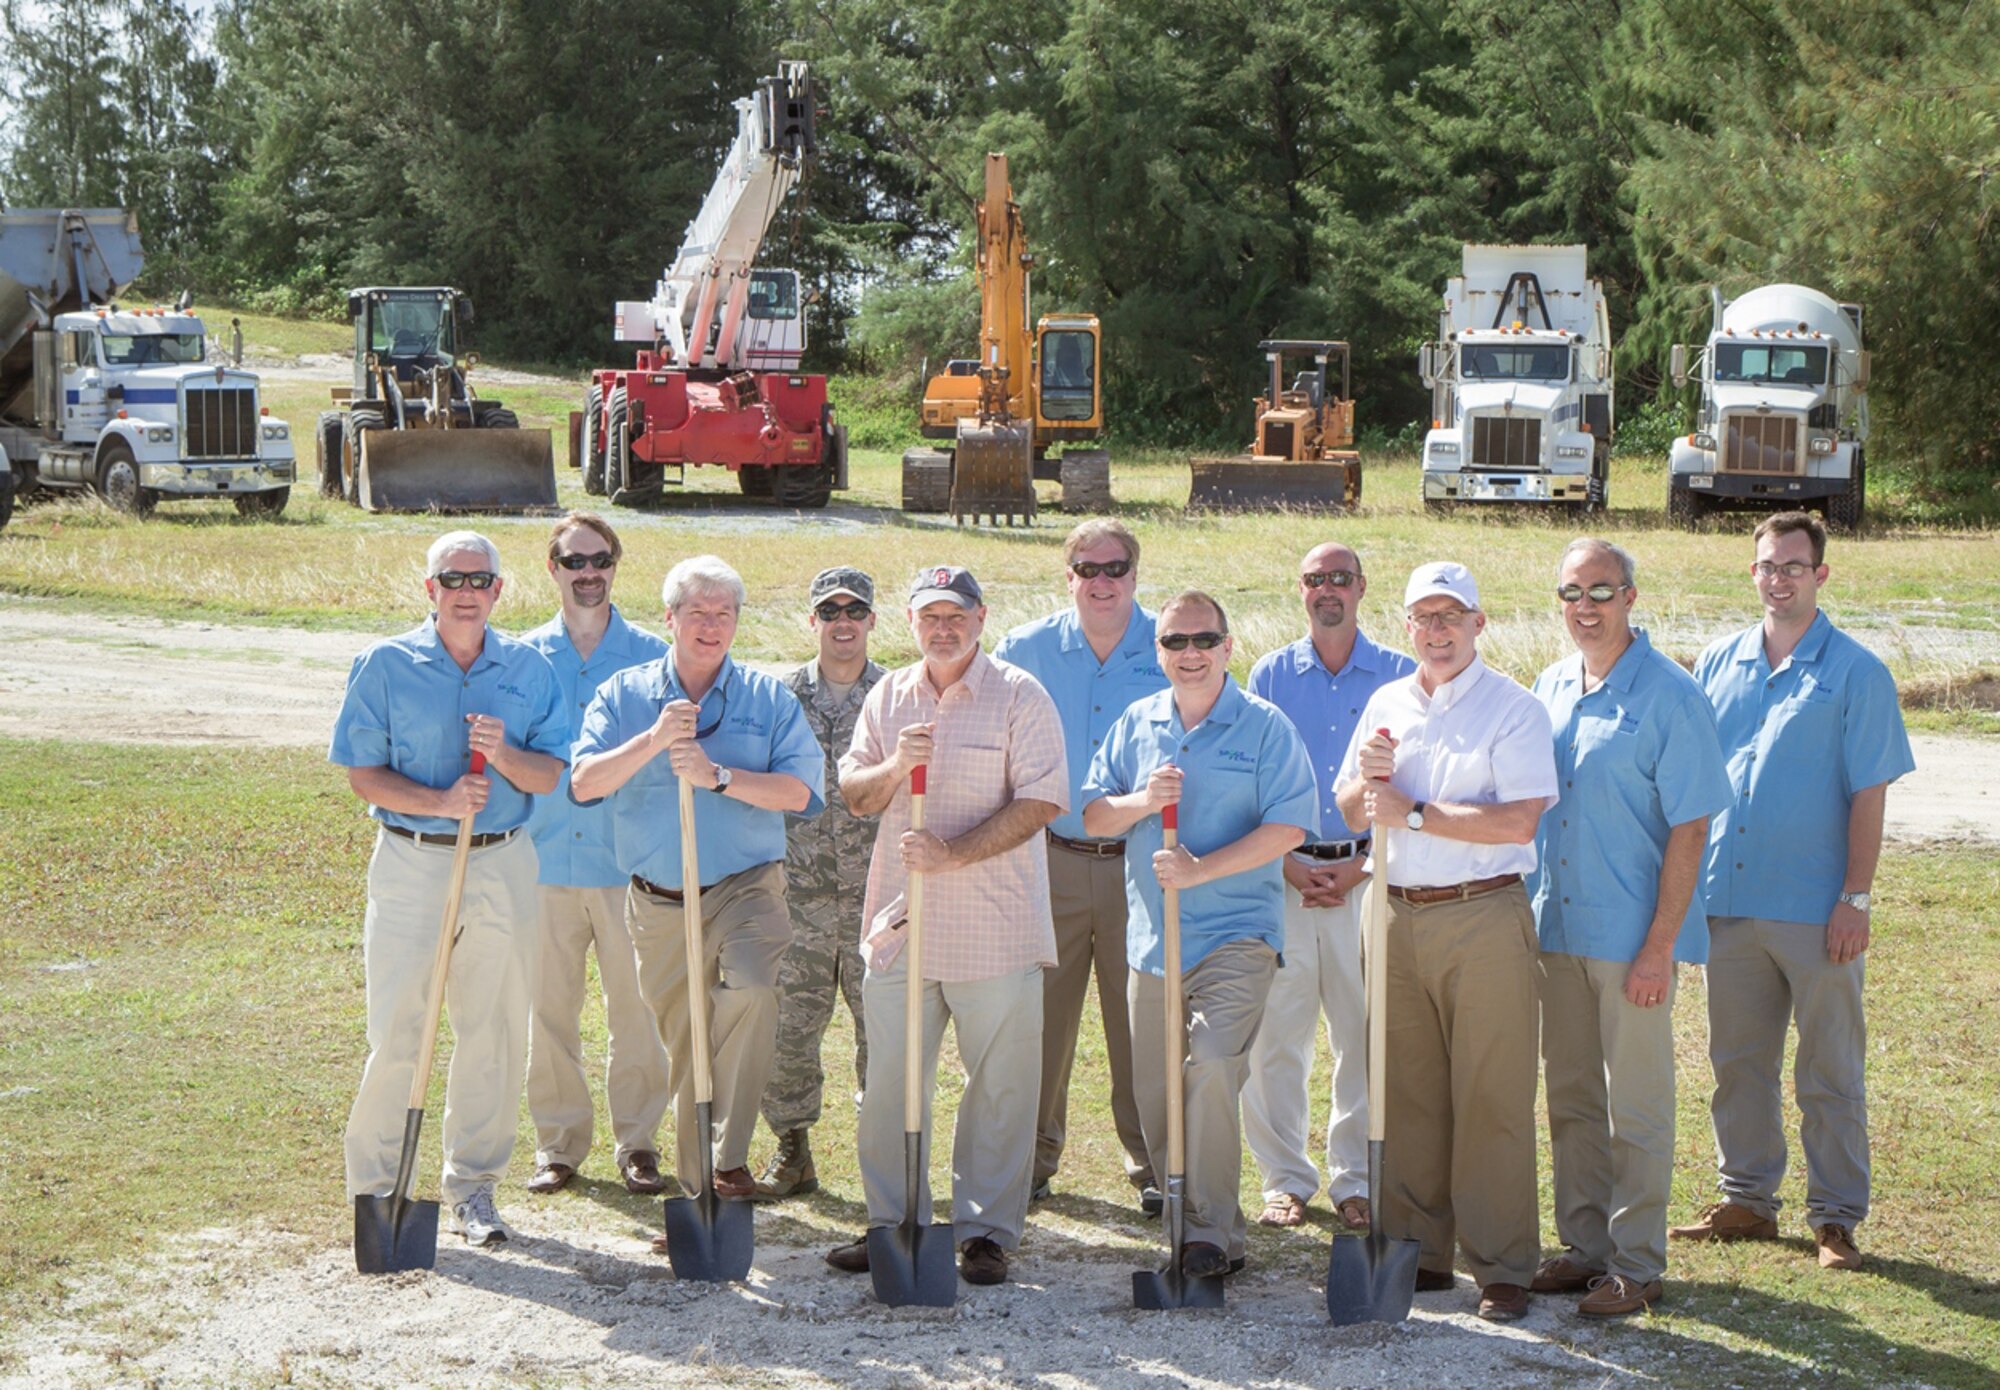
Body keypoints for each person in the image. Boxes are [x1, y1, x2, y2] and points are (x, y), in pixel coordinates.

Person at [1669, 512, 1914, 1272]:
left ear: (1821, 575)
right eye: (1768, 566)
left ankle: (1835, 1218)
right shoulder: (1716, 662)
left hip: (1816, 909)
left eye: (1795, 566)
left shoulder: (1857, 672)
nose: (1779, 579)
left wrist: (1857, 898)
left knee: (1830, 1070)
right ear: (1753, 574)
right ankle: (1746, 1198)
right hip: (1728, 901)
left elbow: (1869, 795)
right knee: (1738, 1061)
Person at [824, 565, 1067, 1287]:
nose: (943, 628)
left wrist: (951, 853)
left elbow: (1043, 801)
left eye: (956, 615)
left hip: (994, 926)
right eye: (930, 616)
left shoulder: (1020, 695)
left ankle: (986, 1231)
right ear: (910, 622)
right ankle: (893, 1222)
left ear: (981, 617)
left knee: (999, 1085)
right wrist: (899, 762)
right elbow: (857, 796)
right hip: (902, 926)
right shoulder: (889, 697)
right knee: (892, 1083)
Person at [1334, 561, 1558, 1323]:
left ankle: (1500, 1264)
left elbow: (1518, 821)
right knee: (1407, 1091)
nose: (1437, 631)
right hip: (1394, 911)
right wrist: (1367, 784)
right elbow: (1349, 807)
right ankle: (1421, 1251)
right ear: (1407, 628)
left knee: (1490, 1093)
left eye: (1450, 616)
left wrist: (1415, 810)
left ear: (1478, 623)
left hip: (1483, 913)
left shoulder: (1513, 709)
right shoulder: (1387, 700)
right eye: (1424, 618)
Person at [330, 530, 567, 1247]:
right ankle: (379, 1189)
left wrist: (503, 755)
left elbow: (550, 775)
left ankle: (473, 1189)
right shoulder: (383, 665)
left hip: (502, 863)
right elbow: (362, 773)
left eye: (480, 578)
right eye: (452, 577)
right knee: (400, 1028)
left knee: (492, 1027)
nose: (467, 590)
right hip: (412, 862)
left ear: (499, 590)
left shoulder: (529, 668)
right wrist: (438, 802)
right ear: (430, 589)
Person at [570, 556, 825, 1214]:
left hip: (746, 887)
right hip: (657, 899)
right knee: (685, 1045)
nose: (711, 626)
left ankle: (730, 1158)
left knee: (752, 990)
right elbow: (584, 783)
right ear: (671, 618)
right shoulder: (624, 695)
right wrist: (654, 741)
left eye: (724, 614)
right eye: (698, 613)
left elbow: (800, 792)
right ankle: (693, 1194)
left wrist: (719, 776)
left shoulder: (768, 701)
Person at [1081, 590, 1318, 1278]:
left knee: (1212, 1064)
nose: (1190, 654)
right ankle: (1187, 1221)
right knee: (1155, 1094)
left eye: (1203, 640)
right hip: (1154, 944)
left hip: (1236, 936)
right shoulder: (1137, 723)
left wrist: (1201, 868)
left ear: (1227, 647)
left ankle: (1212, 1234)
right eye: (1175, 643)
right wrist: (1142, 803)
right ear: (1157, 652)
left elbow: (1289, 828)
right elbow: (1095, 815)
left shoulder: (1265, 727)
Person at [1528, 540, 1731, 1317]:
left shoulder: (1673, 696)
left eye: (1601, 591)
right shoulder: (1548, 687)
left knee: (1637, 1105)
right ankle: (1585, 1247)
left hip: (1631, 942)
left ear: (1632, 597)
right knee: (1573, 1097)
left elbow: (1691, 829)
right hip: (1557, 931)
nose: (1585, 607)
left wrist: (1659, 947)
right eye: (1571, 592)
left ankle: (1638, 1263)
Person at [992, 519, 1163, 1210]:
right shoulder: (1023, 650)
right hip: (1050, 858)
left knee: (1140, 1021)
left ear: (1134, 574)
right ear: (1067, 576)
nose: (1102, 582)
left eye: (1115, 568)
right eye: (1087, 569)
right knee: (1041, 1018)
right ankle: (1028, 1160)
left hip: (1141, 866)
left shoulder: (1174, 643)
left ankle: (1154, 1164)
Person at [1242, 543, 1413, 1232]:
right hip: (1285, 872)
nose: (1328, 590)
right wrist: (1285, 861)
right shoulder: (1271, 674)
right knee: (1276, 1036)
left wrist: (1363, 863)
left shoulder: (1401, 676)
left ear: (1362, 588)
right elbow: (1253, 776)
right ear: (1301, 589)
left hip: (1370, 877)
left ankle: (1356, 1178)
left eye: (1340, 578)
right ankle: (1285, 1178)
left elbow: (1413, 784)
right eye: (1315, 579)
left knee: (1363, 1033)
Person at [518, 513, 674, 1197]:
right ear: (552, 567)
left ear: (616, 564)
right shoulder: (520, 658)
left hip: (626, 865)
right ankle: (558, 1146)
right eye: (575, 561)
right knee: (547, 1012)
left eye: (601, 560)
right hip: (542, 862)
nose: (589, 573)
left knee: (637, 1013)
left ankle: (638, 1143)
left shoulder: (650, 659)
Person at [754, 567, 886, 1198]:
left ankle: (881, 1163)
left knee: (882, 1035)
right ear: (812, 621)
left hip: (876, 902)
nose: (842, 622)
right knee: (788, 1032)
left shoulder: (897, 695)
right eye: (829, 611)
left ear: (871, 621)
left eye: (853, 611)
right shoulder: (777, 697)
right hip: (796, 898)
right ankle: (791, 1151)